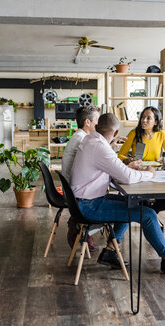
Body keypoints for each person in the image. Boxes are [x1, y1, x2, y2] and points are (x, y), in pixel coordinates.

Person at [70, 113, 165, 275]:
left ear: (97, 127)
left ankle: (110, 251)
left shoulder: (90, 140)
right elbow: (127, 177)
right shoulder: (99, 147)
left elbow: (115, 170)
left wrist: (127, 167)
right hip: (89, 205)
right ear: (116, 133)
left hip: (84, 200)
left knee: (132, 202)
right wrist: (149, 174)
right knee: (148, 214)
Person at [117, 106, 165, 214]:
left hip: (155, 175)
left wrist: (164, 160)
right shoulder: (134, 133)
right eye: (143, 117)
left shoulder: (161, 134)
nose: (144, 120)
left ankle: (149, 216)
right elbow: (120, 155)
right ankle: (152, 221)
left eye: (148, 118)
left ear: (156, 122)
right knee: (145, 202)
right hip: (139, 174)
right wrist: (128, 160)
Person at [61, 105, 101, 252]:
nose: (100, 124)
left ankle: (83, 229)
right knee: (110, 203)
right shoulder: (83, 139)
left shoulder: (80, 136)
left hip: (72, 189)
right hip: (75, 194)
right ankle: (79, 226)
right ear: (87, 122)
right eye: (97, 120)